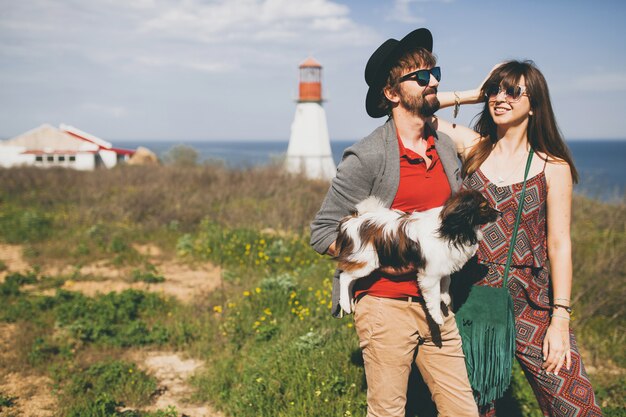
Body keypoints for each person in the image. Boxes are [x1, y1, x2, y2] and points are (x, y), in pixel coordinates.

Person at [310, 28, 479, 417]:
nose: (434, 81)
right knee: (388, 412)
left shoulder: (447, 149)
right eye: (421, 77)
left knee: (463, 411)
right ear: (391, 94)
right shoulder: (368, 156)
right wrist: (383, 254)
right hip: (384, 306)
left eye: (436, 73)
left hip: (438, 307)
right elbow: (321, 232)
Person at [432, 60, 603, 416]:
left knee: (574, 404)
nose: (500, 97)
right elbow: (413, 108)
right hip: (468, 296)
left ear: (535, 104)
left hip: (531, 301)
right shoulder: (473, 148)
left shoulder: (551, 166)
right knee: (475, 407)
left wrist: (560, 319)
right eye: (495, 89)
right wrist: (474, 93)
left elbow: (559, 244)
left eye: (512, 91)